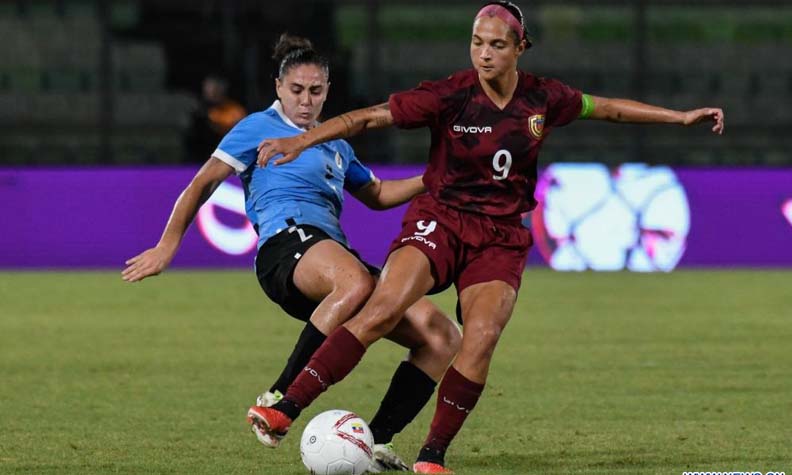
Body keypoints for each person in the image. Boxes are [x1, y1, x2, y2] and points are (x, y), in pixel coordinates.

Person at [249, 2, 725, 474]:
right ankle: (287, 406)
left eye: (497, 44)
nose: (484, 54)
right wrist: (301, 140)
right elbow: (368, 118)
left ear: (521, 47)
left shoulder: (544, 98)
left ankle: (432, 456)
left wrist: (679, 118)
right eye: (477, 42)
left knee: (479, 338)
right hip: (442, 218)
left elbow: (609, 110)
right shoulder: (449, 95)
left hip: (499, 237)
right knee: (383, 305)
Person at [121, 33, 461, 472]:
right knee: (355, 280)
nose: (306, 100)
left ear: (327, 91)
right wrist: (167, 246)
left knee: (441, 334)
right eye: (296, 90)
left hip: (331, 255)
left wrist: (432, 178)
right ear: (279, 88)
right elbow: (200, 184)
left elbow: (375, 193)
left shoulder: (337, 142)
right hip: (286, 247)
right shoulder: (257, 127)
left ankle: (374, 444)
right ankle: (279, 398)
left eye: (315, 91)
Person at [184, 76, 247, 163]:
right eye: (209, 87)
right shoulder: (198, 110)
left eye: (216, 88)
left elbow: (239, 133)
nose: (213, 91)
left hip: (226, 154)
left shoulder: (234, 109)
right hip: (199, 155)